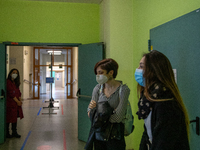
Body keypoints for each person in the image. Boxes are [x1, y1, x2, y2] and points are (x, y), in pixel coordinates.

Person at [135, 50, 190, 150]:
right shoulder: (149, 98)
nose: (137, 70)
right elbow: (147, 134)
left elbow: (164, 142)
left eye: (141, 66)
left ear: (154, 71)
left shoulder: (166, 101)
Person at [85, 58, 130, 150]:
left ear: (111, 73)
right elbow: (90, 113)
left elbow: (118, 118)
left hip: (115, 137)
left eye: (101, 73)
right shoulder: (97, 89)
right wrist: (112, 112)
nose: (98, 76)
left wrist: (99, 116)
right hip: (99, 136)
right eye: (97, 73)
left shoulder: (123, 90)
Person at [6, 68, 24, 138]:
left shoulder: (16, 83)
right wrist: (17, 101)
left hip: (16, 104)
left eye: (16, 73)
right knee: (8, 118)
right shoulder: (8, 82)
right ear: (10, 73)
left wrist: (19, 100)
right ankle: (7, 132)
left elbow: (18, 92)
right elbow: (11, 93)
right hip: (10, 103)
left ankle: (14, 132)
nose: (14, 74)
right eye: (13, 72)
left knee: (14, 118)